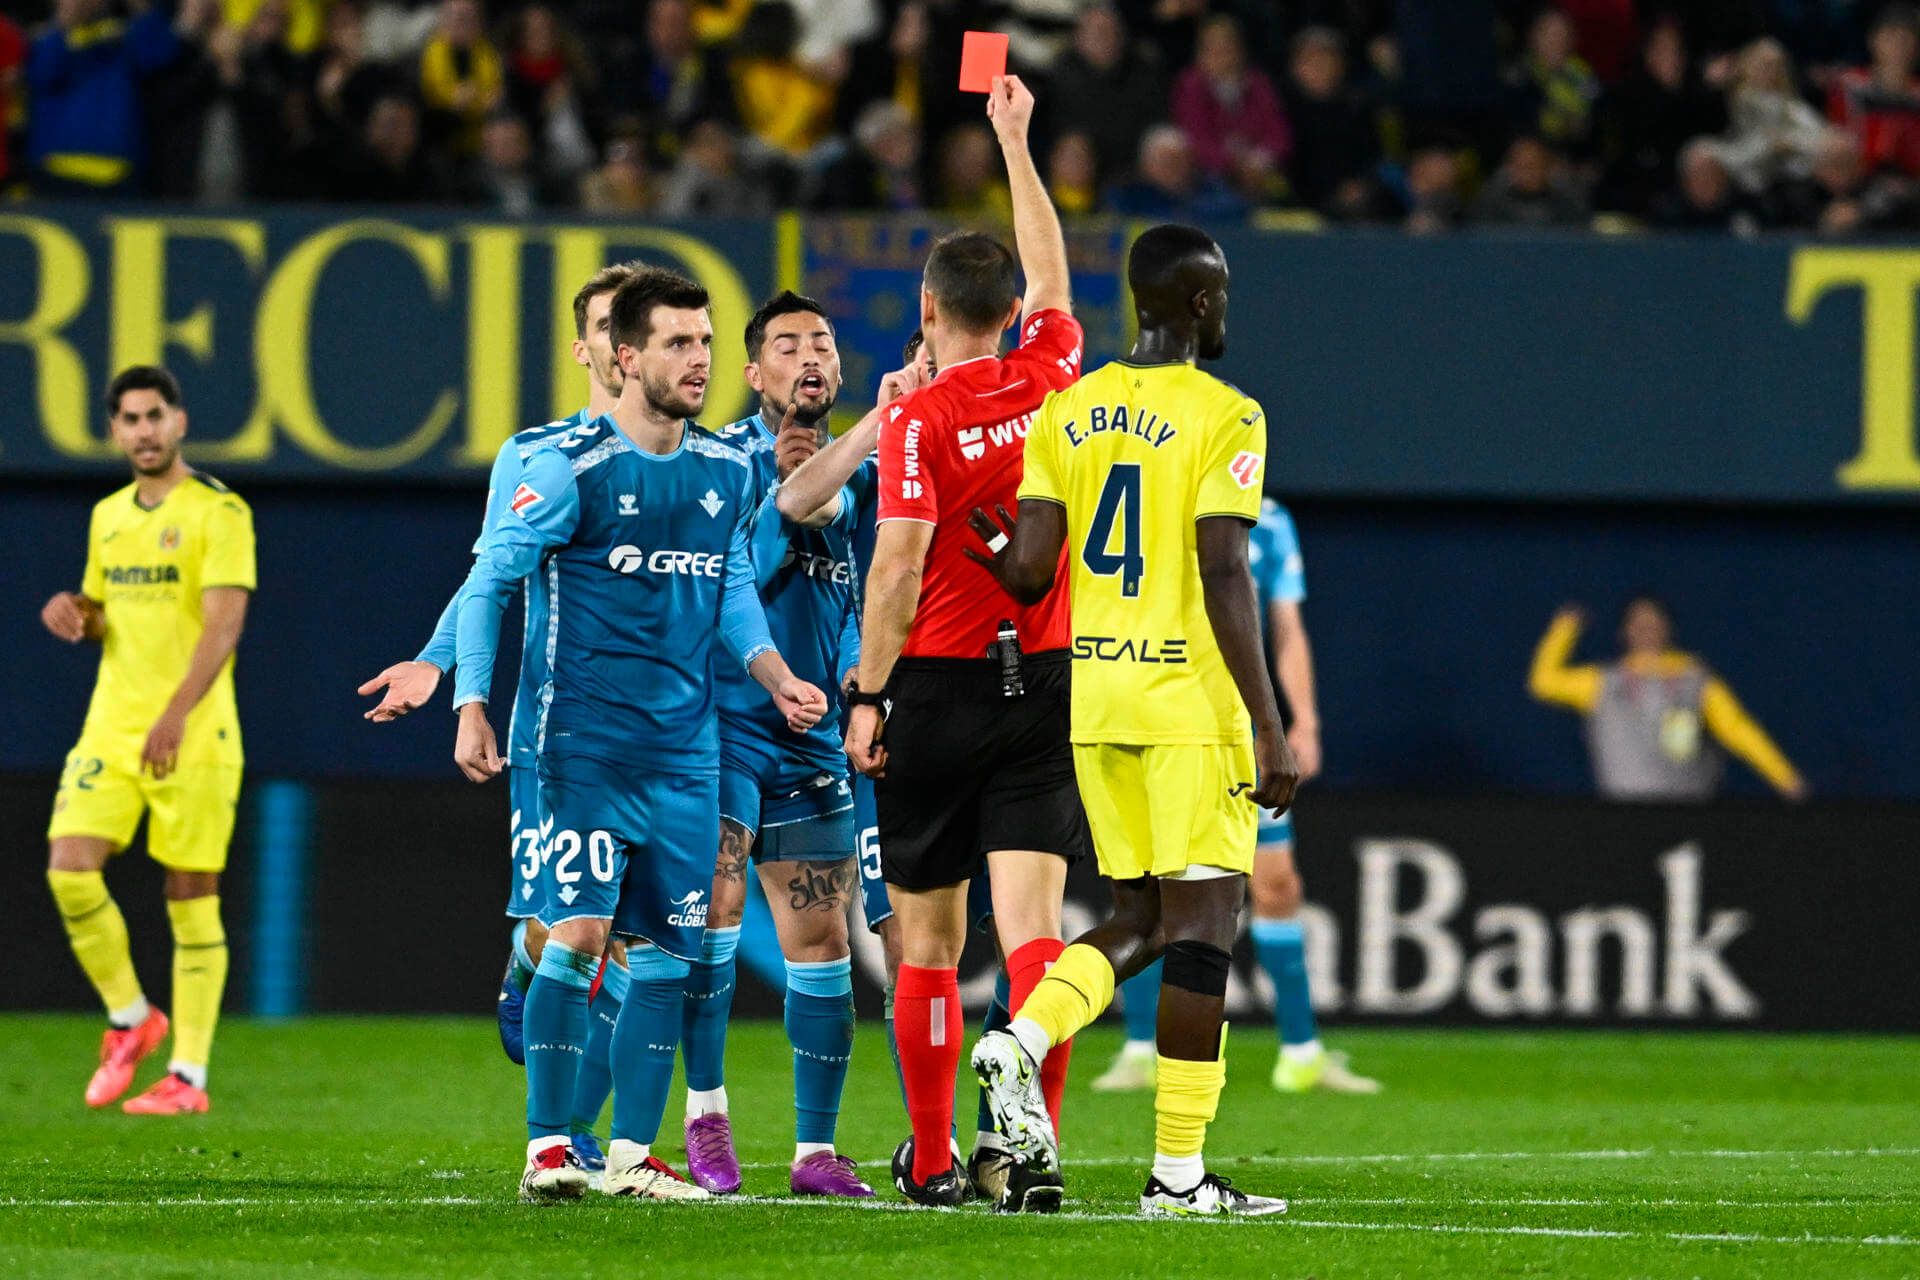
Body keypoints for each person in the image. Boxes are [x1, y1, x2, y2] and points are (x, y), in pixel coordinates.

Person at [451, 266, 827, 1202]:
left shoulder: (725, 469)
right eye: (677, 343)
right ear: (624, 357)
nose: (699, 361)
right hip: (578, 748)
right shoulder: (565, 466)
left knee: (671, 958)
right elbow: (492, 581)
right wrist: (470, 700)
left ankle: (627, 1156)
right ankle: (548, 1151)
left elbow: (731, 583)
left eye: (704, 342)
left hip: (687, 756)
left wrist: (775, 675)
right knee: (581, 937)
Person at [967, 222, 1297, 1218]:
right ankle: (1178, 1176)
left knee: (1141, 918)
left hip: (1096, 702)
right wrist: (1269, 723)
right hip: (1189, 707)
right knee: (1206, 927)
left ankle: (1016, 1040)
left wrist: (987, 543)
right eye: (1223, 293)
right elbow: (1225, 567)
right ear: (1198, 302)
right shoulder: (1227, 414)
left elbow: (1027, 572)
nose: (1228, 308)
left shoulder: (1070, 409)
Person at [840, 74, 1086, 1211]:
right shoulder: (1054, 376)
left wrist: (867, 693)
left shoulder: (918, 418)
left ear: (929, 312)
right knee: (1035, 933)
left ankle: (936, 1158)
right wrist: (1015, 141)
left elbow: (895, 565)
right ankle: (1024, 1146)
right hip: (1043, 683)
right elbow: (1054, 274)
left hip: (935, 685)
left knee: (930, 937)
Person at [356, 262, 636, 1171]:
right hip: (561, 729)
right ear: (585, 346)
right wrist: (446, 674)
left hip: (667, 728)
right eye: (604, 323)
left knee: (637, 944)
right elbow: (493, 578)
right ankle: (532, 961)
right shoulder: (540, 454)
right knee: (582, 935)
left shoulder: (688, 455)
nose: (621, 340)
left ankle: (580, 1137)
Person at [670, 291, 873, 1198]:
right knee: (710, 922)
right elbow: (726, 589)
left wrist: (868, 695)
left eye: (821, 343)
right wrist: (784, 508)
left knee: (823, 943)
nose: (809, 357)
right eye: (787, 346)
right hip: (721, 725)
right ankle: (705, 1121)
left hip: (813, 737)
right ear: (755, 375)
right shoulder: (717, 464)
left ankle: (814, 1152)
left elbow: (867, 601)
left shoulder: (868, 476)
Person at [1094, 497, 1379, 1098]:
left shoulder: (1269, 523)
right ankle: (1140, 1046)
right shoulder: (1158, 505)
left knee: (1276, 883)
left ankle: (1300, 1051)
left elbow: (1288, 629)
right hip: (1171, 722)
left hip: (1239, 728)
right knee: (1154, 888)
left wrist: (1304, 721)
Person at [41, 365, 255, 1116]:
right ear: (115, 430)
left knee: (189, 894)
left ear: (179, 422)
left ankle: (187, 1076)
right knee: (70, 868)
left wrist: (175, 713)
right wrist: (75, 613)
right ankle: (133, 1018)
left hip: (193, 730)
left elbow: (224, 623)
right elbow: (104, 610)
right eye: (129, 419)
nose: (143, 430)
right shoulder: (108, 516)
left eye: (154, 415)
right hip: (113, 724)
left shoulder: (218, 512)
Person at [1530, 598, 1806, 802]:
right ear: (1625, 632)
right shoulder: (1602, 682)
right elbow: (1543, 683)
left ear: (1667, 629)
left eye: (1654, 621)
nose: (1647, 628)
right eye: (1638, 622)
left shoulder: (1696, 680)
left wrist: (1786, 778)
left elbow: (1738, 730)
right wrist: (1565, 628)